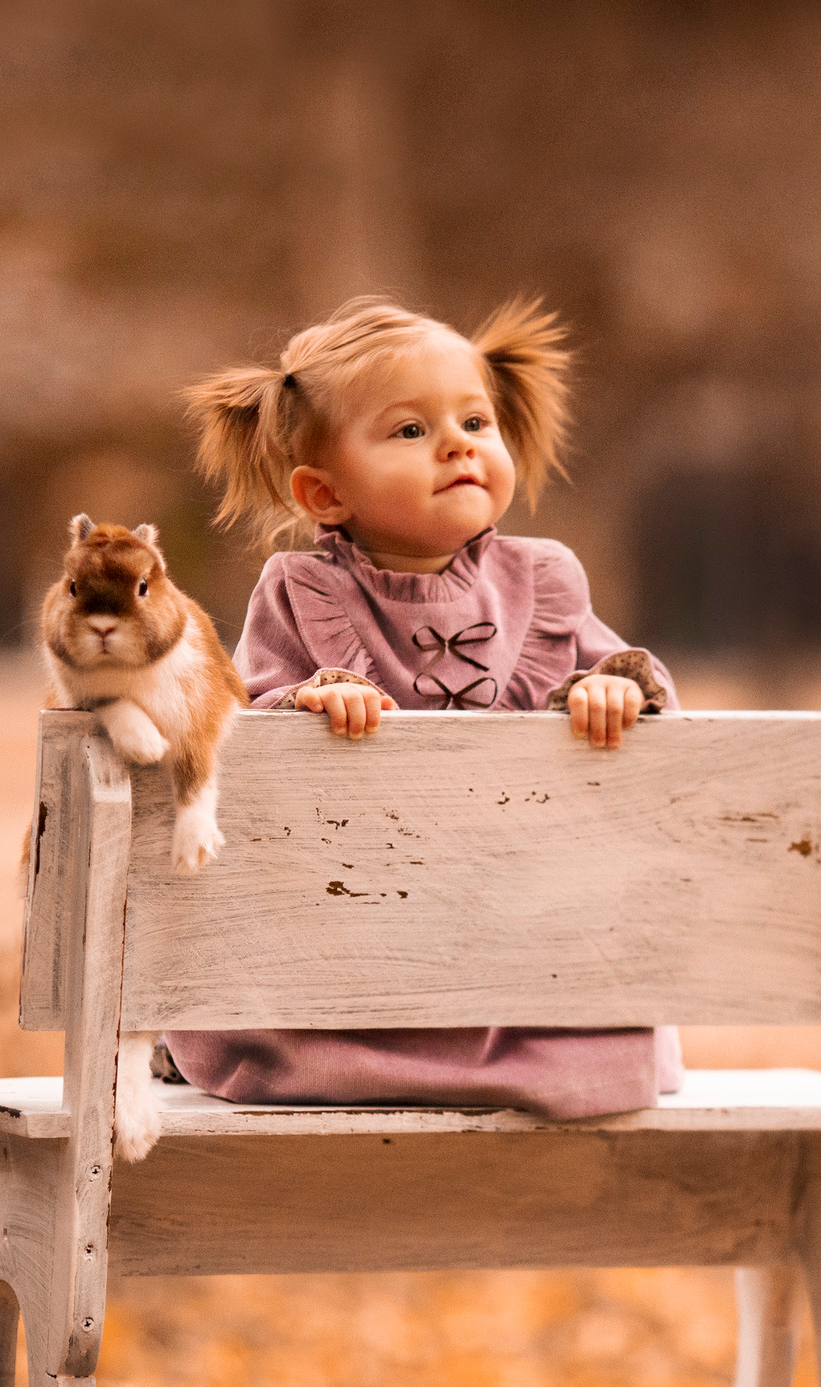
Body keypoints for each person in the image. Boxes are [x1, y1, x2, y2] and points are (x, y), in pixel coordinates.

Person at [167, 295, 683, 1118]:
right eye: (410, 431)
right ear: (323, 493)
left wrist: (611, 688)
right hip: (361, 972)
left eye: (476, 422)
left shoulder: (545, 581)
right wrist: (307, 697)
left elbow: (660, 740)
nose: (456, 444)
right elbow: (248, 759)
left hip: (512, 967)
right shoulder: (300, 592)